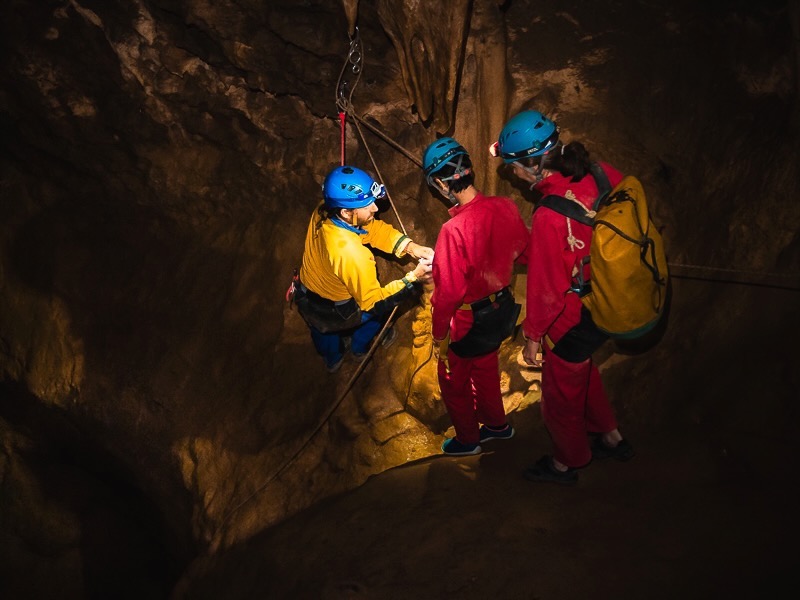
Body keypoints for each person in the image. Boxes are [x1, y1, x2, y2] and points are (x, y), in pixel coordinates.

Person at [492, 109, 635, 484]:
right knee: (581, 367)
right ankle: (610, 436)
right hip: (620, 295)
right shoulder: (604, 173)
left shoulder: (550, 215)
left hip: (579, 314)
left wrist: (533, 338)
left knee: (558, 394)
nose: (515, 175)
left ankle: (568, 462)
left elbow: (546, 289)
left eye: (514, 168)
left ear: (534, 164)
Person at [423, 137, 529, 456]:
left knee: (453, 379)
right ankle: (497, 425)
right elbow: (523, 250)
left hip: (468, 320)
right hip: (501, 310)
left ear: (441, 183)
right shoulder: (504, 206)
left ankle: (468, 439)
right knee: (485, 365)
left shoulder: (453, 231)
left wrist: (439, 333)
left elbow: (450, 294)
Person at [295, 165, 434, 373]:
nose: (375, 209)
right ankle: (359, 349)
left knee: (323, 332)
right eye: (368, 205)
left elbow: (371, 229)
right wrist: (413, 277)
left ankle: (333, 361)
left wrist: (410, 247)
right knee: (375, 315)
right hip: (336, 307)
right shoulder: (351, 253)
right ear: (346, 212)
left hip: (307, 292)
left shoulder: (325, 209)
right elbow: (374, 302)